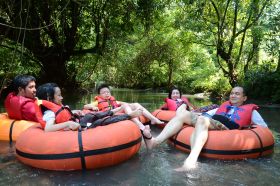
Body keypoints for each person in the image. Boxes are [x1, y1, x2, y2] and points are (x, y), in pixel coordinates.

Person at [149, 86, 268, 171]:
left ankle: (191, 162)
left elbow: (263, 128)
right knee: (183, 115)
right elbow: (205, 114)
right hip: (213, 122)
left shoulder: (251, 111)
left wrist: (248, 129)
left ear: (244, 98)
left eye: (237, 93)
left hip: (227, 128)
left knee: (202, 120)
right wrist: (192, 115)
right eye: (232, 93)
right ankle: (156, 141)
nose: (233, 95)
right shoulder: (223, 106)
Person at [35, 83, 143, 132]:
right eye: (59, 95)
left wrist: (73, 111)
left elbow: (62, 114)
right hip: (80, 127)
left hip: (79, 120)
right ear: (49, 98)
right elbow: (48, 129)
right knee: (101, 121)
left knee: (95, 114)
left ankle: (117, 110)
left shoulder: (55, 108)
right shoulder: (49, 113)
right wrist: (68, 123)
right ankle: (128, 115)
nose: (62, 97)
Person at [84, 84, 164, 147]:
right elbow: (85, 106)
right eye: (104, 92)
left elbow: (123, 103)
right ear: (99, 95)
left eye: (108, 92)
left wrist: (132, 105)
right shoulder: (97, 102)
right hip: (109, 115)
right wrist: (93, 107)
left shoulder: (113, 100)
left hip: (117, 112)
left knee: (135, 104)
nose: (106, 93)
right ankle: (140, 125)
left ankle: (153, 119)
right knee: (125, 106)